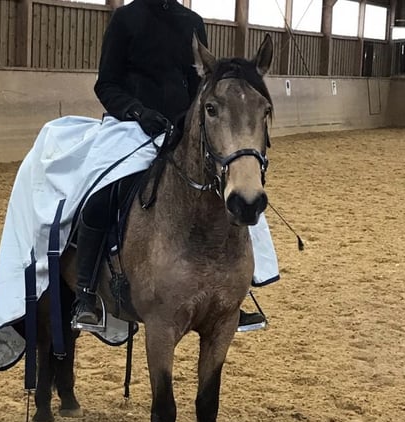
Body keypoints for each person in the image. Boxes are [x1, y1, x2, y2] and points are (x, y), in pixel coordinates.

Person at [72, 0, 267, 330]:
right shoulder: (125, 18)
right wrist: (137, 112)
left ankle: (235, 293)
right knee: (100, 195)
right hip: (130, 126)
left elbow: (200, 87)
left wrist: (193, 125)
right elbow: (105, 83)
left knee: (235, 190)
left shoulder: (192, 22)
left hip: (181, 130)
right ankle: (86, 294)